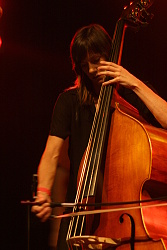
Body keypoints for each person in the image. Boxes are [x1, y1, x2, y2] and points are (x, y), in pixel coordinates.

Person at [31, 24, 167, 249]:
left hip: (126, 220)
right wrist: (44, 191)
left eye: (96, 60)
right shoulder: (69, 102)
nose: (92, 70)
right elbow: (52, 153)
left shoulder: (132, 94)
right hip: (79, 214)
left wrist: (134, 83)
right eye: (85, 65)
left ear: (110, 53)